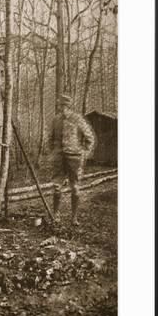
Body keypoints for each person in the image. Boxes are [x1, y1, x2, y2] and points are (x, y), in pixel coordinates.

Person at [50, 94, 96, 225]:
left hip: (75, 158)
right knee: (56, 187)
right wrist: (53, 153)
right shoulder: (55, 120)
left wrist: (84, 153)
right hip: (59, 158)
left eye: (65, 106)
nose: (62, 108)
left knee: (75, 187)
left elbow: (90, 138)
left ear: (69, 106)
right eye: (60, 106)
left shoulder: (78, 119)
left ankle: (74, 218)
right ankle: (56, 215)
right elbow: (50, 138)